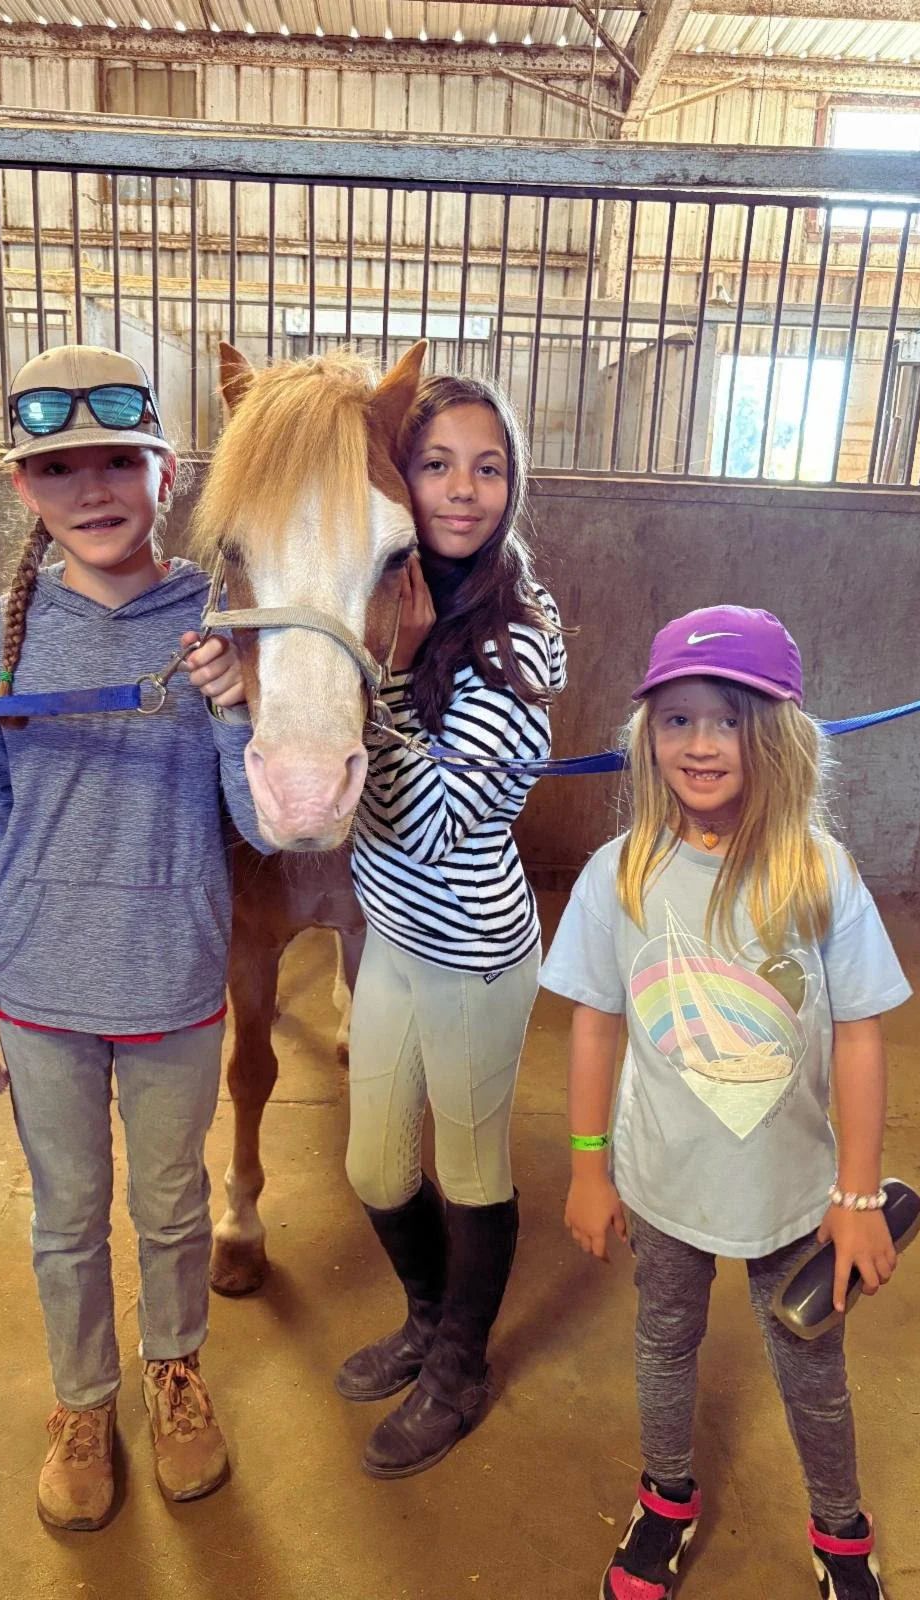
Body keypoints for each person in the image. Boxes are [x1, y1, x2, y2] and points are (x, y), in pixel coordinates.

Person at [0, 345, 258, 1532]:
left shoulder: (220, 623)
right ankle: (83, 1400)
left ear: (168, 472)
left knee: (172, 1206)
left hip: (174, 980)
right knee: (65, 1217)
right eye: (58, 467)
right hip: (41, 991)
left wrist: (237, 705)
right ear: (23, 486)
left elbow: (268, 823)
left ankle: (175, 1372)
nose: (92, 488)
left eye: (118, 460)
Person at [540, 606, 912, 1600]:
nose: (700, 744)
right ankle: (666, 1497)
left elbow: (861, 1032)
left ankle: (841, 1530)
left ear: (777, 734)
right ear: (648, 733)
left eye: (730, 720)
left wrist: (859, 1195)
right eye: (678, 719)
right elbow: (594, 1026)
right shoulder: (620, 874)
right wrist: (587, 1167)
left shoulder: (818, 872)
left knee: (812, 1368)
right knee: (664, 1342)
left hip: (793, 1190)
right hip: (664, 1184)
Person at [336, 372, 567, 1479]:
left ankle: (462, 1367)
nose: (464, 489)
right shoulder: (384, 587)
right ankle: (426, 1320)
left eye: (489, 467)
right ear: (403, 481)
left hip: (474, 953)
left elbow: (426, 824)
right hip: (391, 934)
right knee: (375, 1172)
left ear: (512, 486)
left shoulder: (521, 640)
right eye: (436, 465)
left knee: (472, 1169)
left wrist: (380, 681)